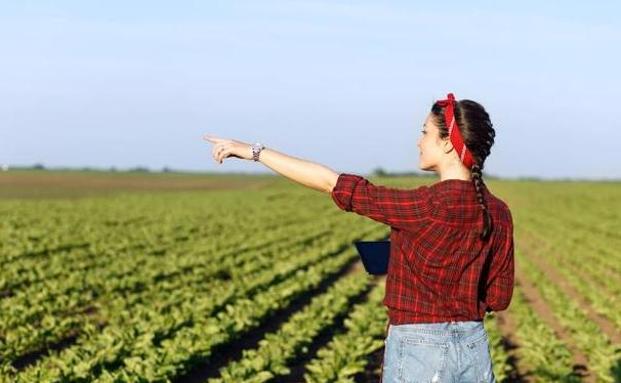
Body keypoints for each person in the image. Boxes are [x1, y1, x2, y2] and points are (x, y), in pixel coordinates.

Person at [203, 92, 514, 382]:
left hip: (421, 347)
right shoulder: (499, 212)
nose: (419, 142)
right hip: (474, 346)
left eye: (424, 132)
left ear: (448, 144)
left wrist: (253, 152)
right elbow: (498, 298)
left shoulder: (424, 205)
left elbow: (330, 183)